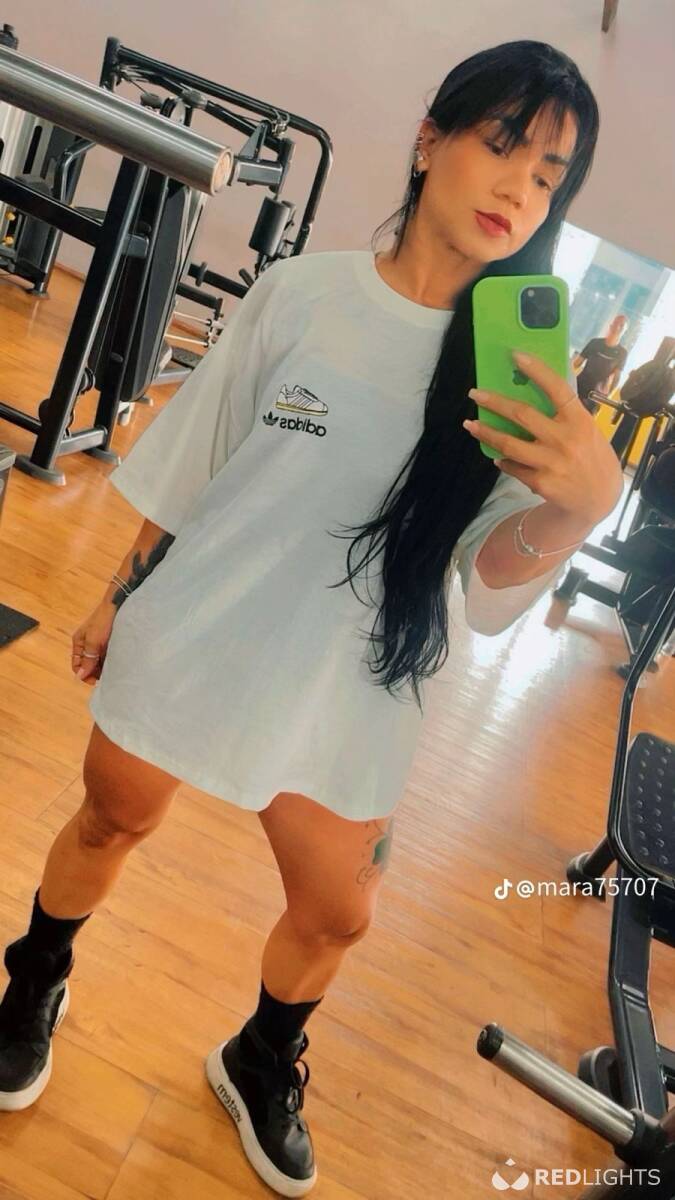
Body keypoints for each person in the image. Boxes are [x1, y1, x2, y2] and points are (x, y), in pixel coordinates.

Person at [0, 40, 623, 1197]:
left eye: (549, 177)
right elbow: (200, 462)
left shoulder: (514, 372)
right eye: (503, 146)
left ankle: (259, 1055)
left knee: (338, 914)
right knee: (111, 819)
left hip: (356, 677)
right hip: (201, 627)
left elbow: (490, 579)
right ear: (430, 139)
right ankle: (36, 974)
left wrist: (576, 512)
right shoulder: (302, 294)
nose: (519, 189)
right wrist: (118, 592)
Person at [572, 313, 629, 415]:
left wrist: (608, 396)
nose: (617, 327)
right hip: (579, 387)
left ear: (625, 330)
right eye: (616, 323)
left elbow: (616, 378)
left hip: (596, 397)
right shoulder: (595, 343)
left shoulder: (622, 353)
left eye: (621, 326)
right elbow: (576, 363)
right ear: (611, 325)